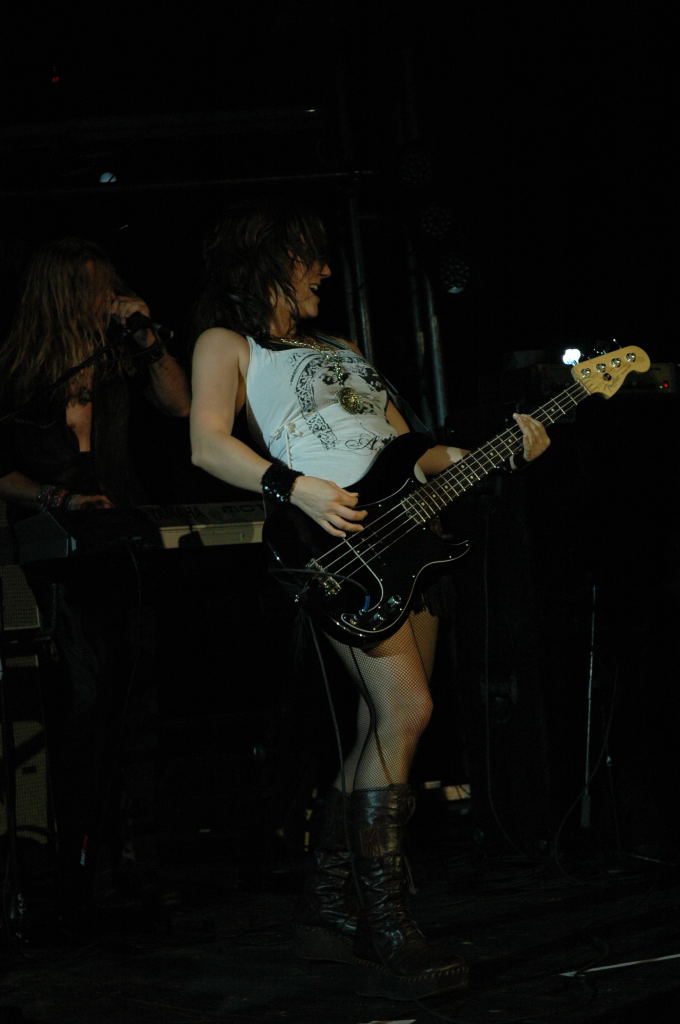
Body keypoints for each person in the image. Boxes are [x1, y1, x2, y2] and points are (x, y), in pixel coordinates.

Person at [189, 198, 550, 999]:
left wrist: (497, 450)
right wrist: (296, 488)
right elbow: (207, 443)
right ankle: (388, 923)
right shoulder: (229, 342)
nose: (325, 270)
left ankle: (327, 912)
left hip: (409, 536)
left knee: (380, 724)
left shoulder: (344, 348)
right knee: (407, 710)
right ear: (270, 259)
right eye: (309, 256)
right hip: (332, 541)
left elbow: (411, 450)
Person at [0, 236, 191, 932]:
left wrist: (145, 335)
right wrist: (58, 499)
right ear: (60, 296)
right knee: (84, 710)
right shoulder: (18, 374)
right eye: (94, 287)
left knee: (137, 705)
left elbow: (179, 404)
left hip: (125, 547)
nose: (107, 297)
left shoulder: (119, 359)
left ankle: (139, 866)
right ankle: (79, 873)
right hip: (57, 557)